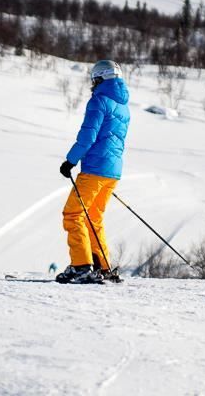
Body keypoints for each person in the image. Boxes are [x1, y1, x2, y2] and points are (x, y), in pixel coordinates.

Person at [57, 60, 130, 284]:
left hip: (95, 170)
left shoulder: (99, 101)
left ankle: (81, 266)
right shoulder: (123, 106)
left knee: (73, 214)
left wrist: (70, 161)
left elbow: (88, 136)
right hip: (112, 172)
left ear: (99, 78)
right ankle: (102, 265)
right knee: (93, 217)